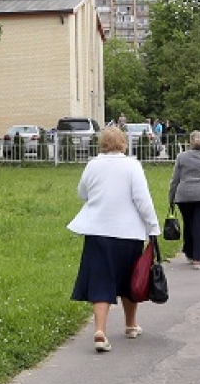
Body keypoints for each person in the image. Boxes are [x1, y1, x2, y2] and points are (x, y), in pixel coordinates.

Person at [68, 126, 159, 353]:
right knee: (130, 278)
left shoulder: (92, 165)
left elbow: (82, 193)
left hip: (98, 231)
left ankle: (100, 330)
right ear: (123, 143)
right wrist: (153, 227)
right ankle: (130, 325)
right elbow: (142, 199)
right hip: (128, 233)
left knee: (101, 280)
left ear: (102, 144)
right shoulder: (132, 165)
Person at [168, 131, 200, 270]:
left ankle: (190, 253)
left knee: (189, 224)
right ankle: (198, 258)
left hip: (184, 195)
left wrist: (171, 198)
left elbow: (175, 180)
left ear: (190, 142)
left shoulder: (181, 158)